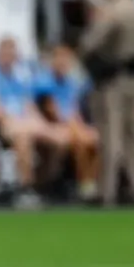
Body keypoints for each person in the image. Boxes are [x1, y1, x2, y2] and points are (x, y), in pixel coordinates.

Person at [79, 0, 134, 207]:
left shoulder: (112, 10)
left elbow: (90, 43)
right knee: (133, 136)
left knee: (111, 136)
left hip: (113, 79)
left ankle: (106, 192)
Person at [0, 37, 66, 208]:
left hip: (25, 122)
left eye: (12, 52)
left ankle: (46, 183)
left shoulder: (21, 77)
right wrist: (22, 124)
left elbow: (30, 106)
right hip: (3, 125)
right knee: (23, 136)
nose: (8, 56)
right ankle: (26, 187)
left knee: (60, 138)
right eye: (5, 52)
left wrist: (42, 126)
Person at [35, 44, 99, 201]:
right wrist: (73, 125)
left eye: (66, 60)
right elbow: (51, 111)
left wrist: (79, 125)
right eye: (59, 59)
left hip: (71, 124)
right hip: (52, 125)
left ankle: (90, 182)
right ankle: (82, 184)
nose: (63, 63)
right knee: (79, 140)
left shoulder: (72, 83)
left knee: (93, 140)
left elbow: (75, 110)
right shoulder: (44, 81)